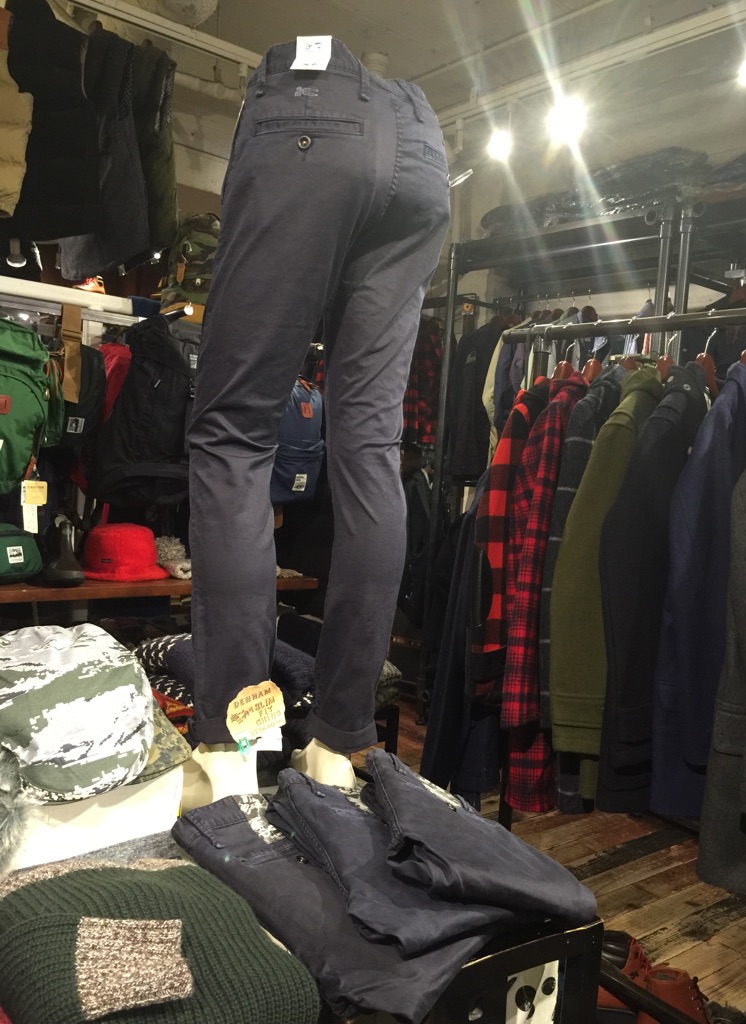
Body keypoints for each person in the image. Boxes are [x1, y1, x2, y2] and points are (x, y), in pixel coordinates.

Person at [183, 37, 450, 805]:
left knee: (232, 437)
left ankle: (230, 750)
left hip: (310, 123)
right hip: (423, 148)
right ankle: (336, 745)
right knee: (370, 448)